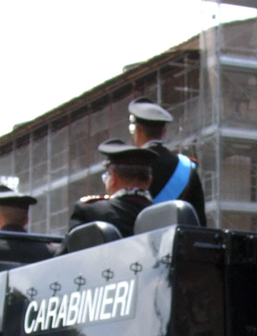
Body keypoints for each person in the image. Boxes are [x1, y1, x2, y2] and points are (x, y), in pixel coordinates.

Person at [127, 97, 207, 226]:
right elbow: (199, 222)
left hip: (141, 244)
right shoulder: (187, 168)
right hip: (178, 244)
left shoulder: (129, 167)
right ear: (164, 132)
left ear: (138, 131)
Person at [68, 139, 156, 237]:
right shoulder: (165, 215)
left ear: (113, 178)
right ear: (149, 181)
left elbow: (67, 251)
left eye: (106, 177)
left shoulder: (89, 213)